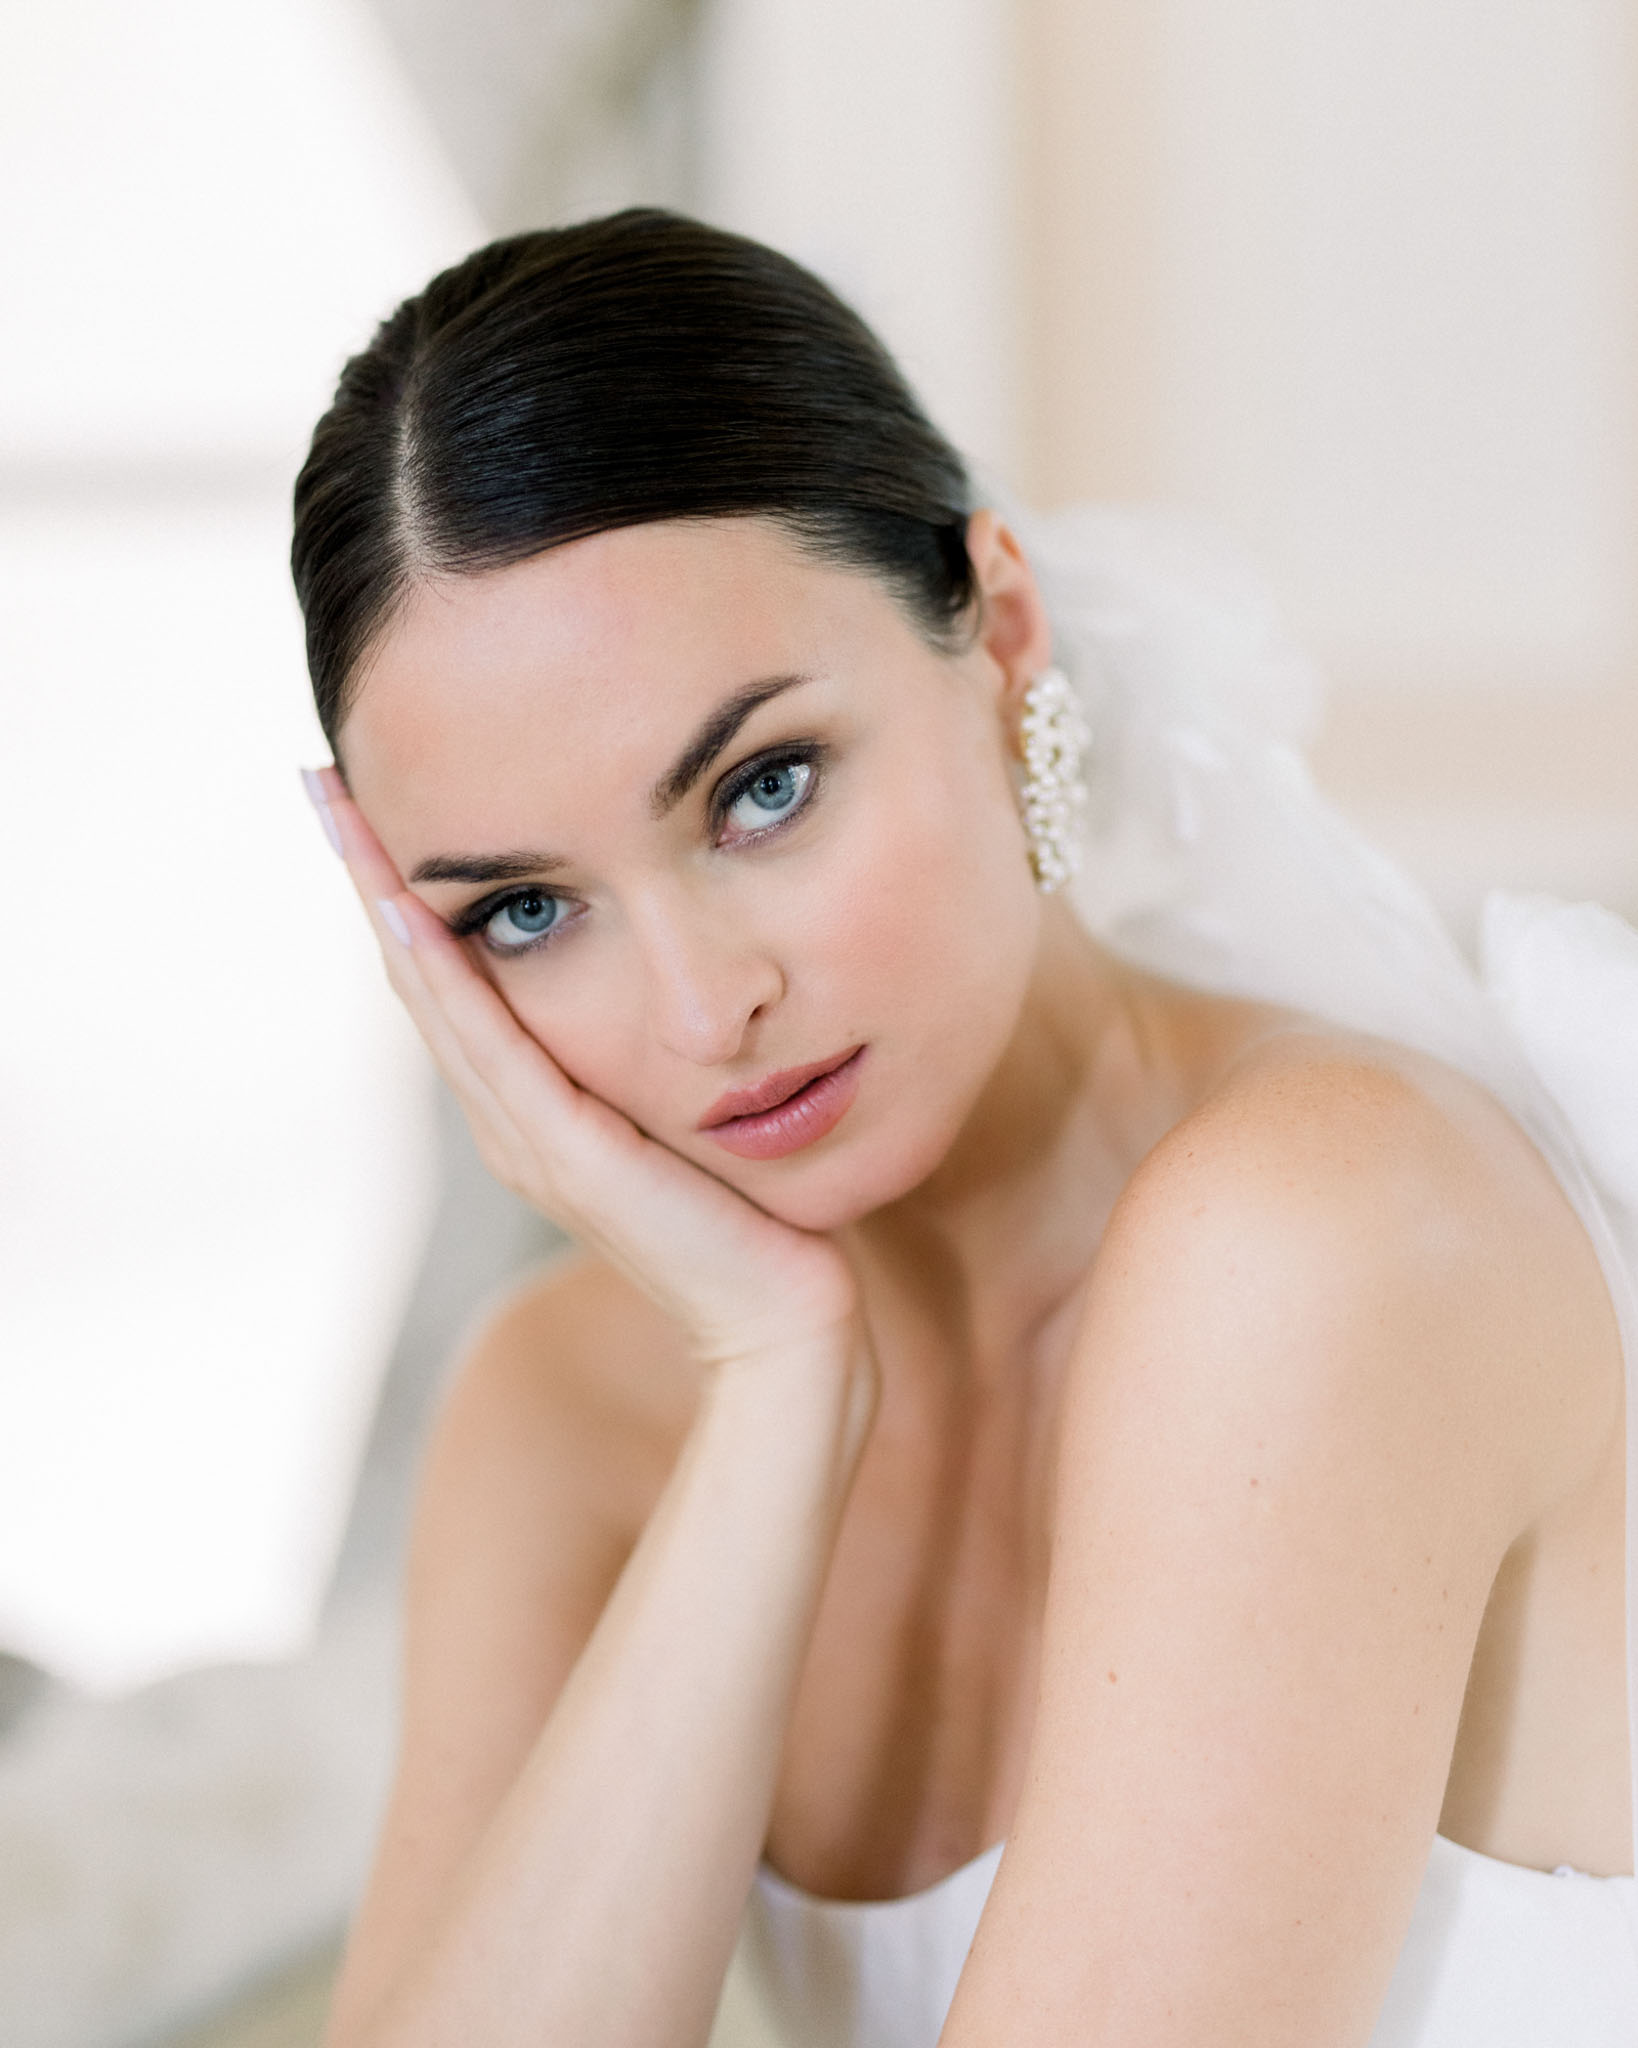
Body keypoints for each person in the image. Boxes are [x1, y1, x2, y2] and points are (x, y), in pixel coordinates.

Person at [291, 209, 1637, 2047]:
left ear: (1001, 638)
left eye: (762, 789)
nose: (701, 1011)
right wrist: (775, 1378)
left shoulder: (1321, 1225)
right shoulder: (569, 1412)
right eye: (523, 911)